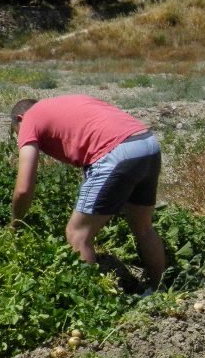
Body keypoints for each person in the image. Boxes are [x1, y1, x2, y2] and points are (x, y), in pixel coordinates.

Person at [11, 95, 166, 290]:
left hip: (117, 152)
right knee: (143, 228)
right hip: (147, 144)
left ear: (19, 119)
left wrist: (15, 222)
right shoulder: (65, 103)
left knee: (77, 234)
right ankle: (158, 291)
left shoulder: (29, 119)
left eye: (18, 134)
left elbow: (23, 189)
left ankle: (94, 305)